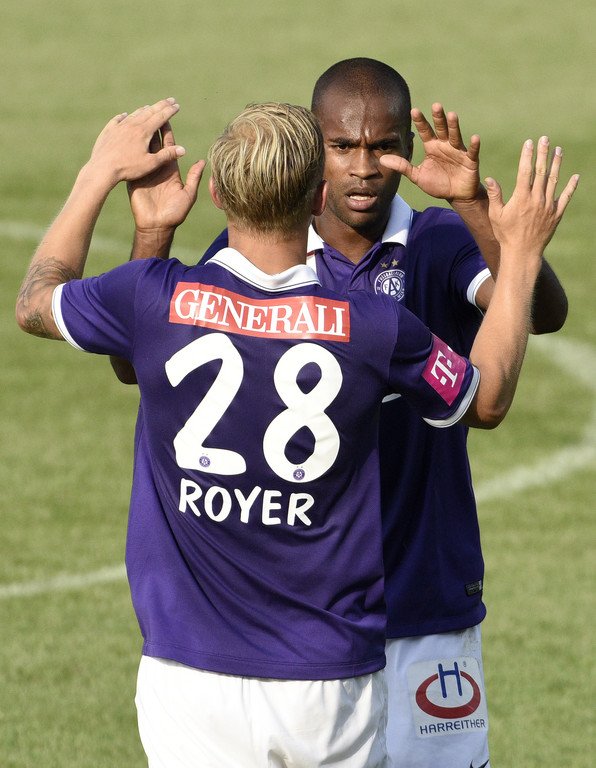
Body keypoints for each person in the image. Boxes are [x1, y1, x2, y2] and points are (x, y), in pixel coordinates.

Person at [17, 97, 575, 767]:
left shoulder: (151, 297)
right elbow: (485, 397)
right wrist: (520, 253)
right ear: (317, 196)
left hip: (187, 674)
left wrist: (97, 175)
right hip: (326, 678)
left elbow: (37, 301)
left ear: (217, 194)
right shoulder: (371, 326)